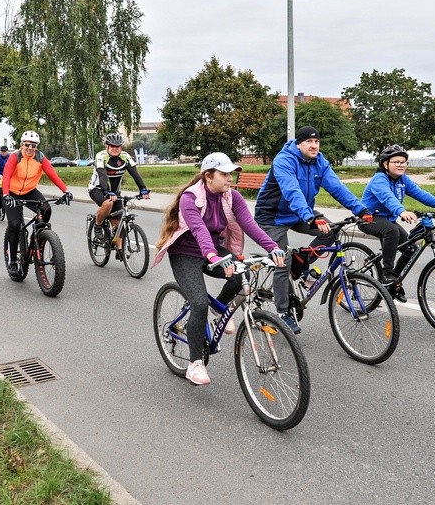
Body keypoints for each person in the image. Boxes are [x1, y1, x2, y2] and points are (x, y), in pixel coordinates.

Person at [151, 152, 286, 386]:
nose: (229, 179)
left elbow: (249, 224)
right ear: (208, 176)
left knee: (241, 275)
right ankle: (195, 364)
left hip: (214, 250)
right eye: (224, 174)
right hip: (186, 253)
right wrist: (211, 254)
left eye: (231, 174)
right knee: (199, 302)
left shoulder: (232, 197)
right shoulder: (190, 198)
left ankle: (219, 311)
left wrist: (272, 247)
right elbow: (198, 229)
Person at [254, 126, 373, 334]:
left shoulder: (319, 161)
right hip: (272, 217)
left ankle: (302, 265)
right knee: (282, 260)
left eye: (317, 142)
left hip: (300, 213)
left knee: (331, 232)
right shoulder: (284, 160)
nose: (314, 145)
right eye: (309, 142)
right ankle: (283, 313)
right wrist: (311, 217)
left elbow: (336, 187)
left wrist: (360, 209)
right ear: (298, 144)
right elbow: (291, 190)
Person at [359, 144, 435, 302]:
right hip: (369, 218)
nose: (401, 165)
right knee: (391, 231)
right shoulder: (379, 180)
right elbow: (388, 197)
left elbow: (422, 194)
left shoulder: (403, 180)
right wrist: (401, 211)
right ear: (385, 164)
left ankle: (394, 283)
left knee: (411, 249)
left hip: (388, 220)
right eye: (397, 162)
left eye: (404, 162)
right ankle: (387, 274)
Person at [1, 131, 72, 273]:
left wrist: (65, 191)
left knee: (46, 209)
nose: (30, 148)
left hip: (29, 191)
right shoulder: (16, 156)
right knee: (14, 225)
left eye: (33, 145)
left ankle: (38, 237)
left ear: (37, 146)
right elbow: (7, 175)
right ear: (22, 144)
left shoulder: (40, 157)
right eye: (27, 145)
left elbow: (52, 174)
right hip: (12, 192)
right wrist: (6, 194)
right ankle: (13, 261)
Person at [88, 133, 151, 253]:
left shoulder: (125, 157)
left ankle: (119, 250)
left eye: (118, 146)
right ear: (107, 146)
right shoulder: (101, 156)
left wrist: (143, 189)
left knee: (117, 225)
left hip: (115, 192)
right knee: (108, 204)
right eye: (112, 146)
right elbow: (102, 176)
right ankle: (98, 225)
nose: (115, 148)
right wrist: (107, 192)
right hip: (97, 189)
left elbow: (135, 174)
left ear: (121, 147)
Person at [0, 145, 11, 220]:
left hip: (7, 176)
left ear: (7, 151)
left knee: (8, 191)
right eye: (2, 151)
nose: (3, 153)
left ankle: (5, 207)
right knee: (0, 191)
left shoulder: (10, 157)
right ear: (0, 151)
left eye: (5, 151)